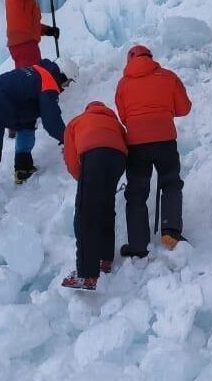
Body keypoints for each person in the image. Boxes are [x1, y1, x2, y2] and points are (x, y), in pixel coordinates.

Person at [0, 57, 78, 225]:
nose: (66, 87)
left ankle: (23, 168)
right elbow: (51, 120)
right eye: (67, 82)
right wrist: (69, 140)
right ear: (61, 75)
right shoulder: (48, 83)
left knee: (28, 122)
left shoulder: (39, 71)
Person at [115, 45, 191, 255]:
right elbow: (184, 107)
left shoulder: (123, 84)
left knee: (137, 192)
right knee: (171, 183)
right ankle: (171, 232)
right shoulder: (168, 77)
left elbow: (123, 116)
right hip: (165, 140)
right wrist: (163, 110)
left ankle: (138, 245)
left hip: (137, 144)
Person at [60, 101, 127, 291]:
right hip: (118, 159)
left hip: (94, 155)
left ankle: (86, 274)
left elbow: (72, 159)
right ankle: (105, 259)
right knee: (106, 207)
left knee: (85, 213)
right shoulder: (115, 124)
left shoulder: (77, 122)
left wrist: (82, 179)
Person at [3, 0, 59, 68]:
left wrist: (48, 30)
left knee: (26, 76)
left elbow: (29, 25)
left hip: (22, 43)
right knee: (34, 74)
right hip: (24, 44)